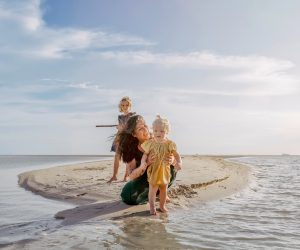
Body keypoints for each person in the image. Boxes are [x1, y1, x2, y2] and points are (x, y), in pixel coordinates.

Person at [116, 115, 178, 206]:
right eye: (140, 128)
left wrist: (172, 160)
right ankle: (151, 195)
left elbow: (175, 156)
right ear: (134, 134)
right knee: (128, 197)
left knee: (172, 167)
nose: (145, 129)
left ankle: (162, 192)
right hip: (142, 179)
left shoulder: (158, 138)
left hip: (160, 174)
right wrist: (144, 164)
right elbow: (132, 176)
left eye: (145, 125)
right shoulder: (130, 149)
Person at [140, 115, 182, 215]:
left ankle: (162, 206)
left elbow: (177, 155)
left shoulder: (169, 144)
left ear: (167, 131)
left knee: (164, 189)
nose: (158, 133)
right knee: (153, 189)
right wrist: (143, 164)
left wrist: (179, 162)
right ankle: (152, 207)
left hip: (165, 170)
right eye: (155, 131)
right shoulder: (150, 143)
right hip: (154, 170)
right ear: (152, 130)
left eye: (162, 131)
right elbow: (144, 155)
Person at [108, 96, 136, 183]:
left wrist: (123, 128)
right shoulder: (120, 117)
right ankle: (114, 176)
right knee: (117, 156)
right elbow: (120, 128)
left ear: (129, 106)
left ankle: (125, 177)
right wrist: (119, 127)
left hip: (128, 138)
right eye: (123, 105)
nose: (125, 107)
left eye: (127, 105)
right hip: (119, 137)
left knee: (127, 158)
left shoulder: (132, 115)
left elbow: (132, 128)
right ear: (121, 106)